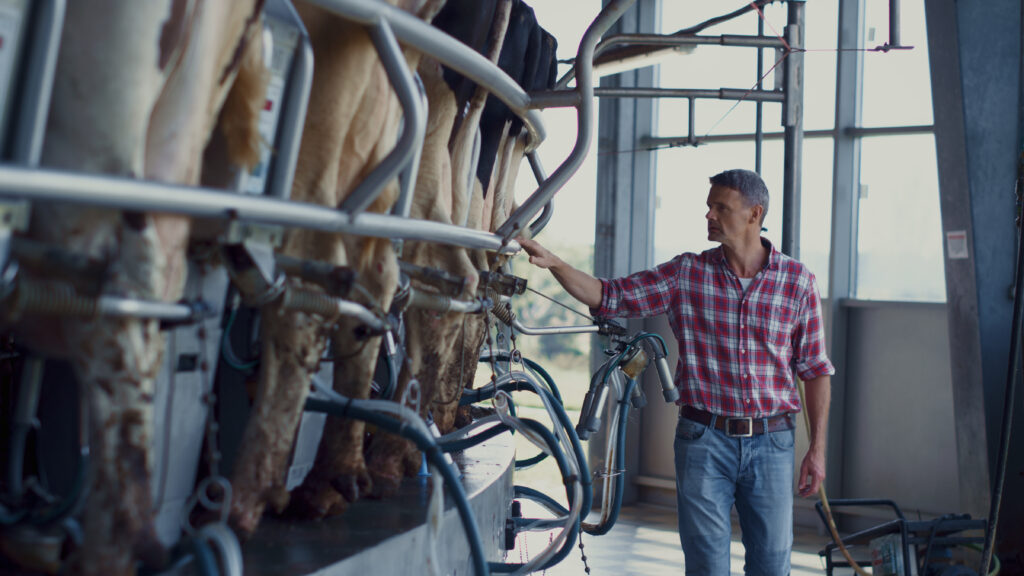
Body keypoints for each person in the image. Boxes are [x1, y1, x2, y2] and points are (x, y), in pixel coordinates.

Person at [518, 168, 833, 576]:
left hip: (772, 443)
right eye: (709, 207)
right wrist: (555, 264)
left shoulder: (797, 282)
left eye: (722, 207)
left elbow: (815, 369)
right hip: (703, 440)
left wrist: (818, 449)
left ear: (755, 214)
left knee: (772, 564)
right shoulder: (687, 273)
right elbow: (610, 295)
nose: (709, 216)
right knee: (705, 566)